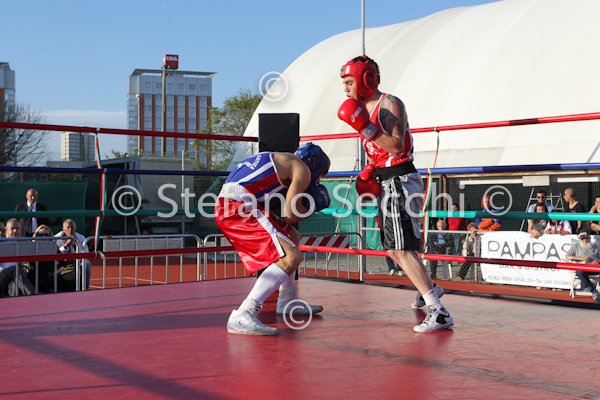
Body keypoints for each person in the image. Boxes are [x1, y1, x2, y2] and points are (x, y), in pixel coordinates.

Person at [338, 55, 453, 332]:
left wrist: (364, 127)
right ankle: (430, 288)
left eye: (350, 81)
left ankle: (438, 311)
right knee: (392, 248)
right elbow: (375, 152)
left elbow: (397, 146)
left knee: (401, 248)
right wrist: (368, 172)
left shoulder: (389, 104)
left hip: (399, 179)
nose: (345, 88)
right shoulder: (360, 109)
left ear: (367, 79)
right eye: (344, 83)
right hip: (385, 179)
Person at [216, 143, 330, 335]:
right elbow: (291, 215)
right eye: (321, 175)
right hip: (238, 206)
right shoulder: (301, 168)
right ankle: (243, 314)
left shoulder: (279, 157)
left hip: (234, 203)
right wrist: (314, 205)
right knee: (291, 257)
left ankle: (287, 301)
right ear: (316, 165)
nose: (318, 180)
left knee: (292, 235)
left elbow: (285, 219)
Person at [0, 219, 35, 296]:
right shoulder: (2, 242)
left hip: (13, 277)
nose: (15, 231)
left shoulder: (22, 244)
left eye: (17, 228)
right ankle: (32, 295)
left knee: (14, 285)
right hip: (2, 276)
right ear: (6, 230)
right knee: (14, 269)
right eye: (12, 228)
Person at [54, 219, 91, 291]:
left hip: (76, 261)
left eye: (72, 227)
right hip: (62, 262)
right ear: (63, 229)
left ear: (75, 228)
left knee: (86, 263)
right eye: (68, 227)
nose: (70, 229)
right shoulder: (56, 238)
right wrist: (66, 245)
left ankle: (85, 287)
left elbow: (86, 253)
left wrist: (76, 246)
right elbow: (57, 254)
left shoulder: (81, 238)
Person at [564, 230, 600, 304]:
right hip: (582, 268)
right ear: (580, 239)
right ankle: (593, 291)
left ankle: (593, 291)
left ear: (589, 237)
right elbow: (567, 257)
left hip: (594, 268)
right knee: (579, 270)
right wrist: (580, 258)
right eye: (583, 239)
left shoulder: (595, 247)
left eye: (587, 238)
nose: (585, 240)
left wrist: (597, 261)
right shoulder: (575, 246)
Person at [24, 225, 57, 293]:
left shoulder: (54, 247)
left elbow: (62, 263)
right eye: (40, 235)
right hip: (36, 276)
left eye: (46, 235)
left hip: (52, 275)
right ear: (36, 236)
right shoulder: (31, 248)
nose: (43, 237)